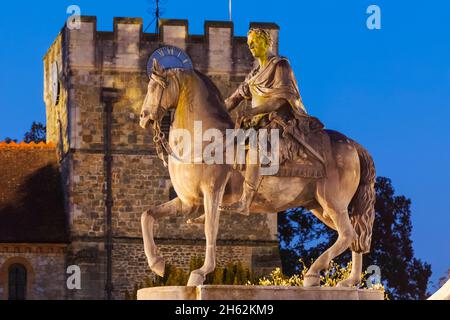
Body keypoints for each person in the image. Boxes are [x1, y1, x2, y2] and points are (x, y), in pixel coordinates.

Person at [220, 28, 307, 215]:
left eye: (255, 41)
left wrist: (253, 110)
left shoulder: (280, 66)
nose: (250, 45)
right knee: (222, 148)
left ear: (267, 42)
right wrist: (215, 110)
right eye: (248, 42)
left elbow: (281, 100)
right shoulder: (253, 76)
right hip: (255, 124)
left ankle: (245, 202)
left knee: (256, 147)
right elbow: (233, 100)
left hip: (278, 122)